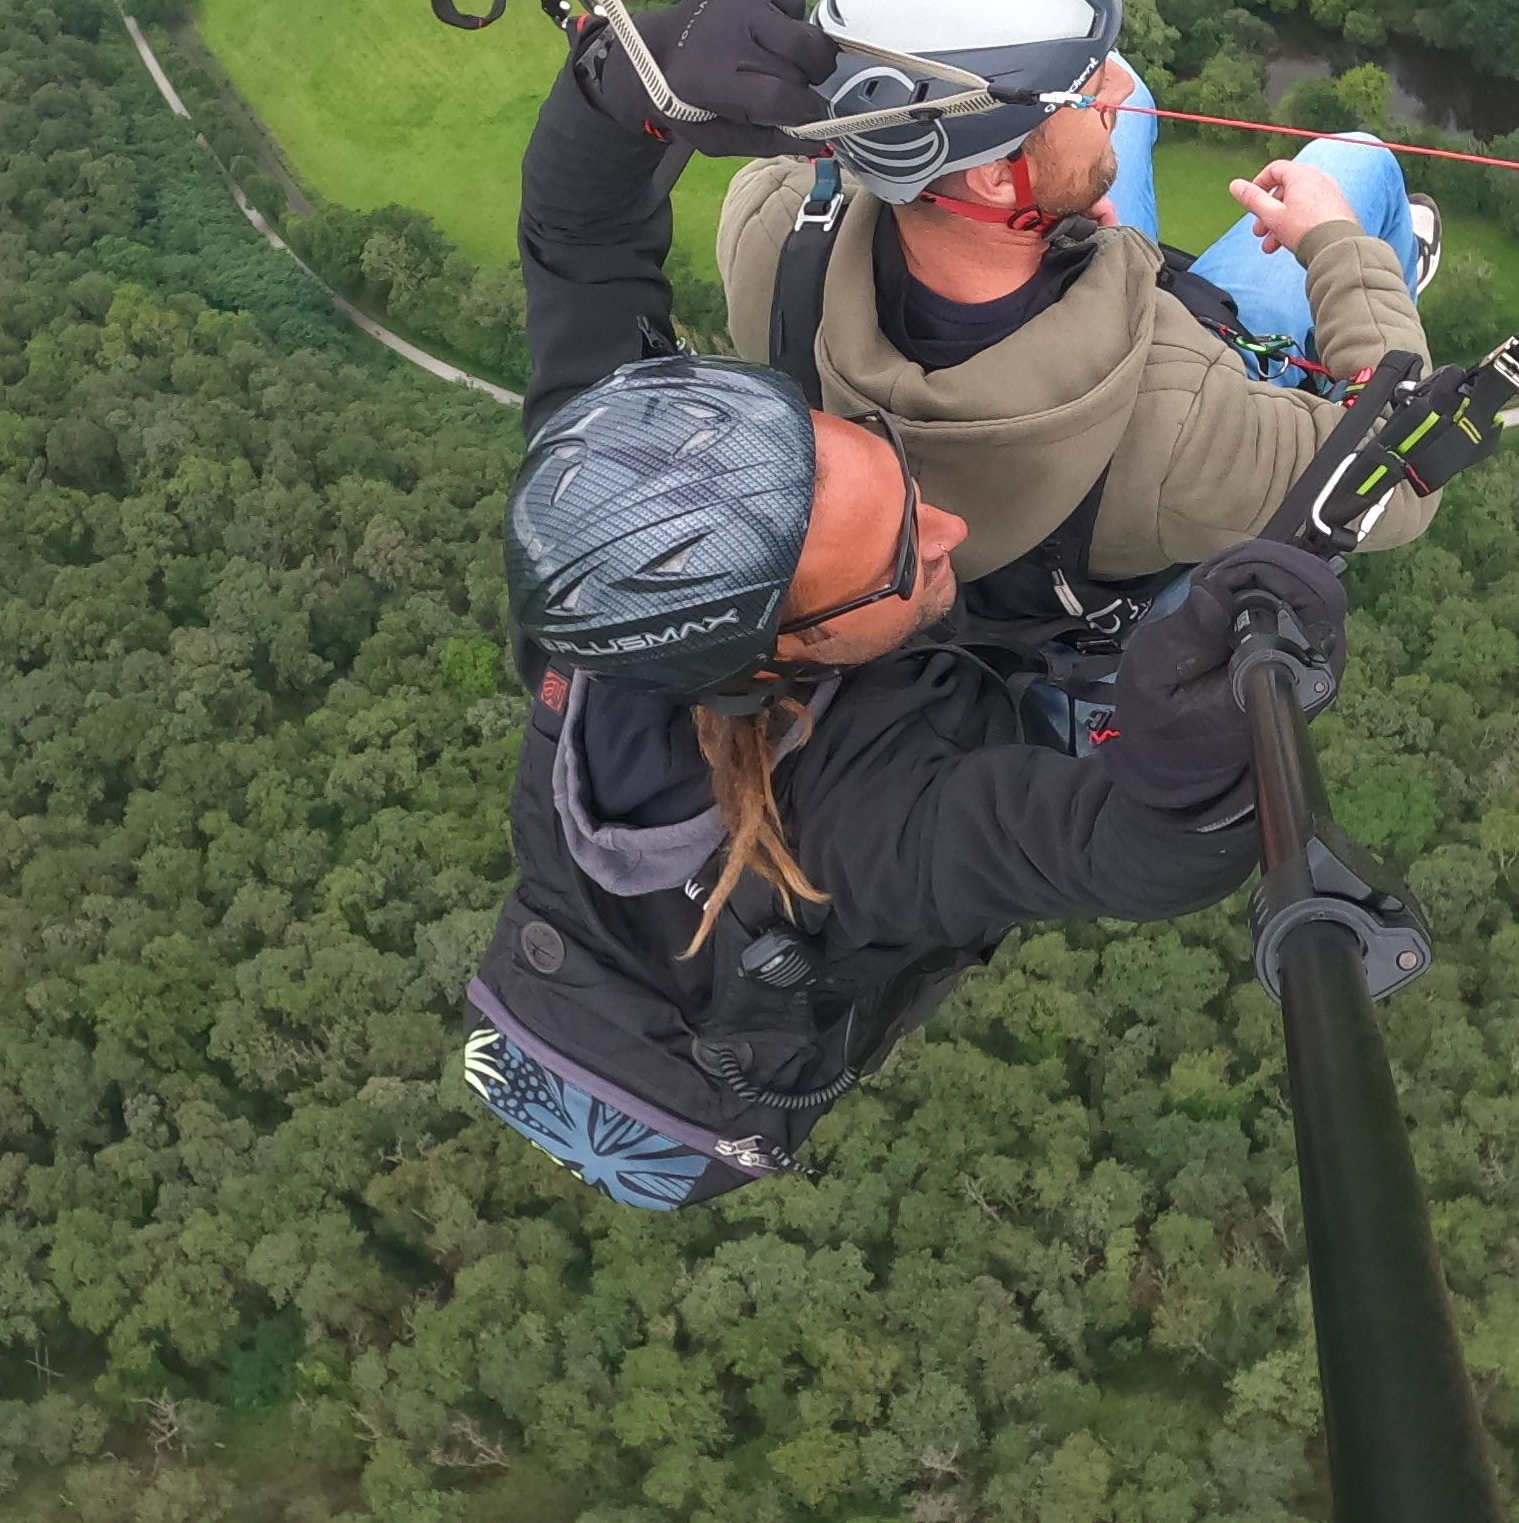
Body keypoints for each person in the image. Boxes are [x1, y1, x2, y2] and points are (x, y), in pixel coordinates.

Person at [462, 313, 1352, 1208]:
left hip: (922, 681)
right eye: (900, 557)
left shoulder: (591, 583)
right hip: (990, 720)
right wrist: (1201, 714)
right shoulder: (862, 832)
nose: (951, 528)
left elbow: (586, 274)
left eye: (894, 472)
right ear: (782, 657)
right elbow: (1140, 854)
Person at [662, 0, 1447, 647]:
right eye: (1081, 92)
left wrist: (1044, 212)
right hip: (1128, 435)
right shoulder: (1183, 427)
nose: (1108, 87)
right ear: (997, 176)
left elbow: (846, 151)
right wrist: (1342, 251)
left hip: (1006, 251)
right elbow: (1402, 486)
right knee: (1355, 160)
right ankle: (1395, 250)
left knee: (1137, 103)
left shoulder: (773, 223)